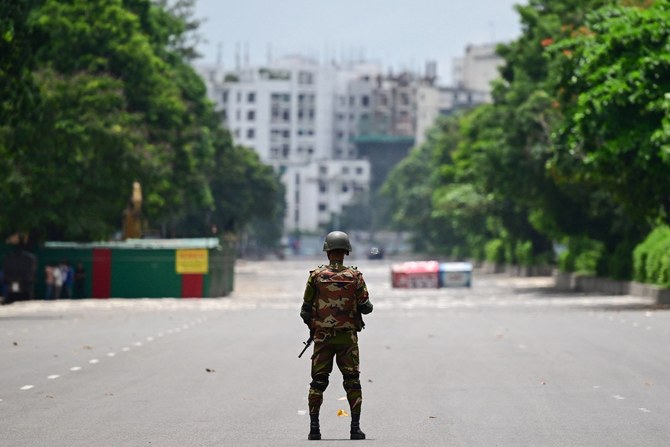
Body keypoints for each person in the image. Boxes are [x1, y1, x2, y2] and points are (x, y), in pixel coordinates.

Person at [300, 231, 373, 441]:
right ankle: (355, 429)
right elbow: (366, 308)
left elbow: (305, 310)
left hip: (322, 339)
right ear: (346, 252)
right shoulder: (355, 276)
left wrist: (314, 327)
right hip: (347, 340)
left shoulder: (316, 276)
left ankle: (314, 429)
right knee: (352, 382)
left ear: (327, 251)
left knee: (318, 383)